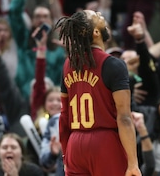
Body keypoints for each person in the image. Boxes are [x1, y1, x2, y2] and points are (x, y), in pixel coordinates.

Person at [55, 10, 141, 175]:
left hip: (75, 144)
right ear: (95, 32)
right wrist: (133, 163)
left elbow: (64, 116)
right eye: (96, 15)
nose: (100, 14)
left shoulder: (68, 65)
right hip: (104, 143)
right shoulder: (113, 65)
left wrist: (66, 155)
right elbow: (124, 118)